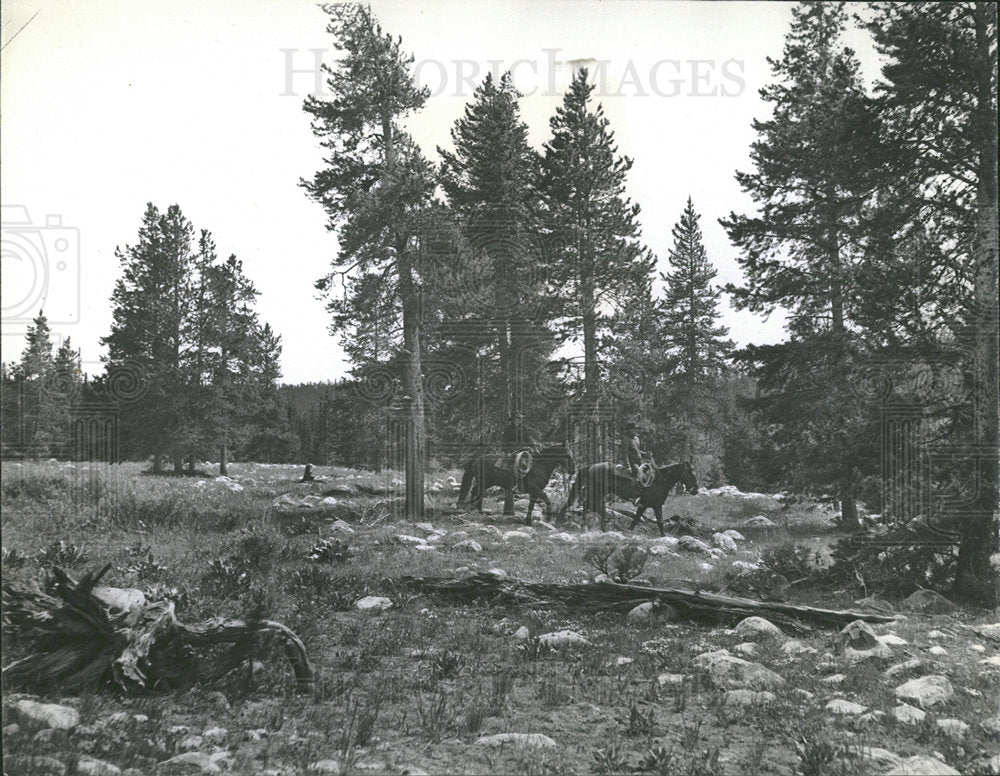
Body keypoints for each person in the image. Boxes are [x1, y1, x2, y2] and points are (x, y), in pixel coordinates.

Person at [622, 422, 649, 505]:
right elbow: (625, 454)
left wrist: (645, 454)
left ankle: (647, 494)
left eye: (635, 429)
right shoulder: (626, 440)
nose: (635, 431)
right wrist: (628, 466)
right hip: (632, 462)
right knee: (639, 475)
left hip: (640, 461)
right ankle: (636, 496)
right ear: (628, 430)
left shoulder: (636, 439)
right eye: (633, 429)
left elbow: (637, 451)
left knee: (649, 473)